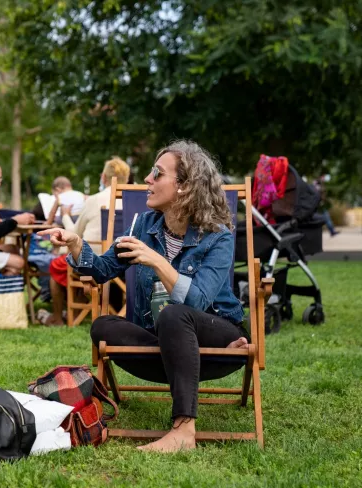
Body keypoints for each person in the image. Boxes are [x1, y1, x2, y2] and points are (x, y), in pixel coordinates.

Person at [38, 140, 249, 452]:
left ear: (185, 186)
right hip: (163, 345)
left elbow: (199, 301)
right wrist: (75, 244)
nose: (147, 180)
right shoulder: (142, 227)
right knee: (103, 326)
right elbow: (102, 270)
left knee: (175, 314)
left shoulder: (217, 236)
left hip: (216, 340)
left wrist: (155, 259)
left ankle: (183, 431)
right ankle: (178, 357)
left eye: (157, 173)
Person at [38, 157, 131, 326]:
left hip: (95, 261)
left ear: (103, 177)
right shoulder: (134, 201)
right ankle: (84, 311)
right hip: (126, 263)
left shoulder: (94, 200)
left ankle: (59, 318)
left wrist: (65, 214)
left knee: (57, 266)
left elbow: (74, 234)